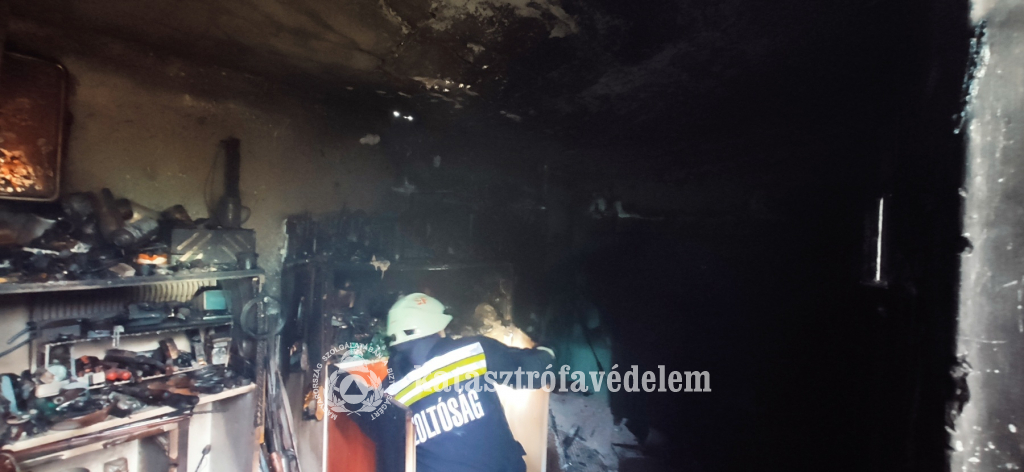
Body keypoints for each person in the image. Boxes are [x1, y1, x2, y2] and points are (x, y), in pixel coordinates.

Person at [383, 293, 555, 472]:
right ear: (436, 326)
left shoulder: (388, 392)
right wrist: (549, 349)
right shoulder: (472, 351)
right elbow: (532, 373)